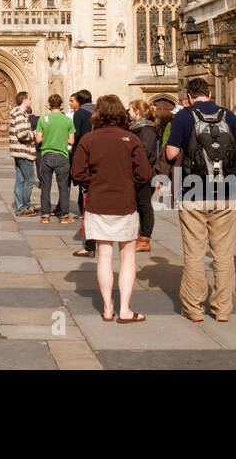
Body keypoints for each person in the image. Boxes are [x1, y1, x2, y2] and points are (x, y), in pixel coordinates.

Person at [164, 77, 236, 322]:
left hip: (193, 191)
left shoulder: (183, 117)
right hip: (226, 192)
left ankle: (194, 308)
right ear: (209, 94)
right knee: (223, 254)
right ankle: (222, 309)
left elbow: (171, 153)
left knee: (194, 252)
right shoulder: (228, 116)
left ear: (189, 96)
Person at [70, 94, 152, 323]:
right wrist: (128, 183)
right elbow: (144, 174)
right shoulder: (130, 139)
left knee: (104, 256)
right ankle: (125, 309)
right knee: (127, 257)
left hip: (98, 204)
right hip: (125, 204)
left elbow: (76, 173)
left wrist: (93, 183)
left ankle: (108, 308)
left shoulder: (89, 139)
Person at [36, 93, 75, 222]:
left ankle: (45, 216)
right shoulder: (67, 120)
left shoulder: (43, 119)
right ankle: (64, 216)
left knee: (45, 186)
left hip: (46, 155)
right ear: (61, 105)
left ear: (49, 105)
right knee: (63, 187)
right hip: (62, 156)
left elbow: (38, 139)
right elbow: (71, 141)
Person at [128, 100, 161, 252]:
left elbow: (145, 152)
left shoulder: (146, 128)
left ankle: (145, 239)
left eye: (130, 110)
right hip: (140, 171)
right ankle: (140, 236)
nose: (128, 113)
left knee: (145, 205)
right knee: (141, 205)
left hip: (145, 172)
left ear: (137, 112)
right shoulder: (138, 127)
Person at [70, 89, 97, 257]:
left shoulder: (79, 113)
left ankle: (89, 241)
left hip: (85, 155)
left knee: (85, 191)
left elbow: (77, 135)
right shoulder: (96, 112)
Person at [8, 91, 38, 217]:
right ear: (24, 100)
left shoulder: (17, 113)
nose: (31, 101)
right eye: (29, 98)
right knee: (29, 179)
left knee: (20, 179)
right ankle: (25, 206)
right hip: (23, 151)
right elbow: (21, 133)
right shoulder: (20, 114)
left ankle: (20, 206)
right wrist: (34, 134)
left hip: (18, 151)